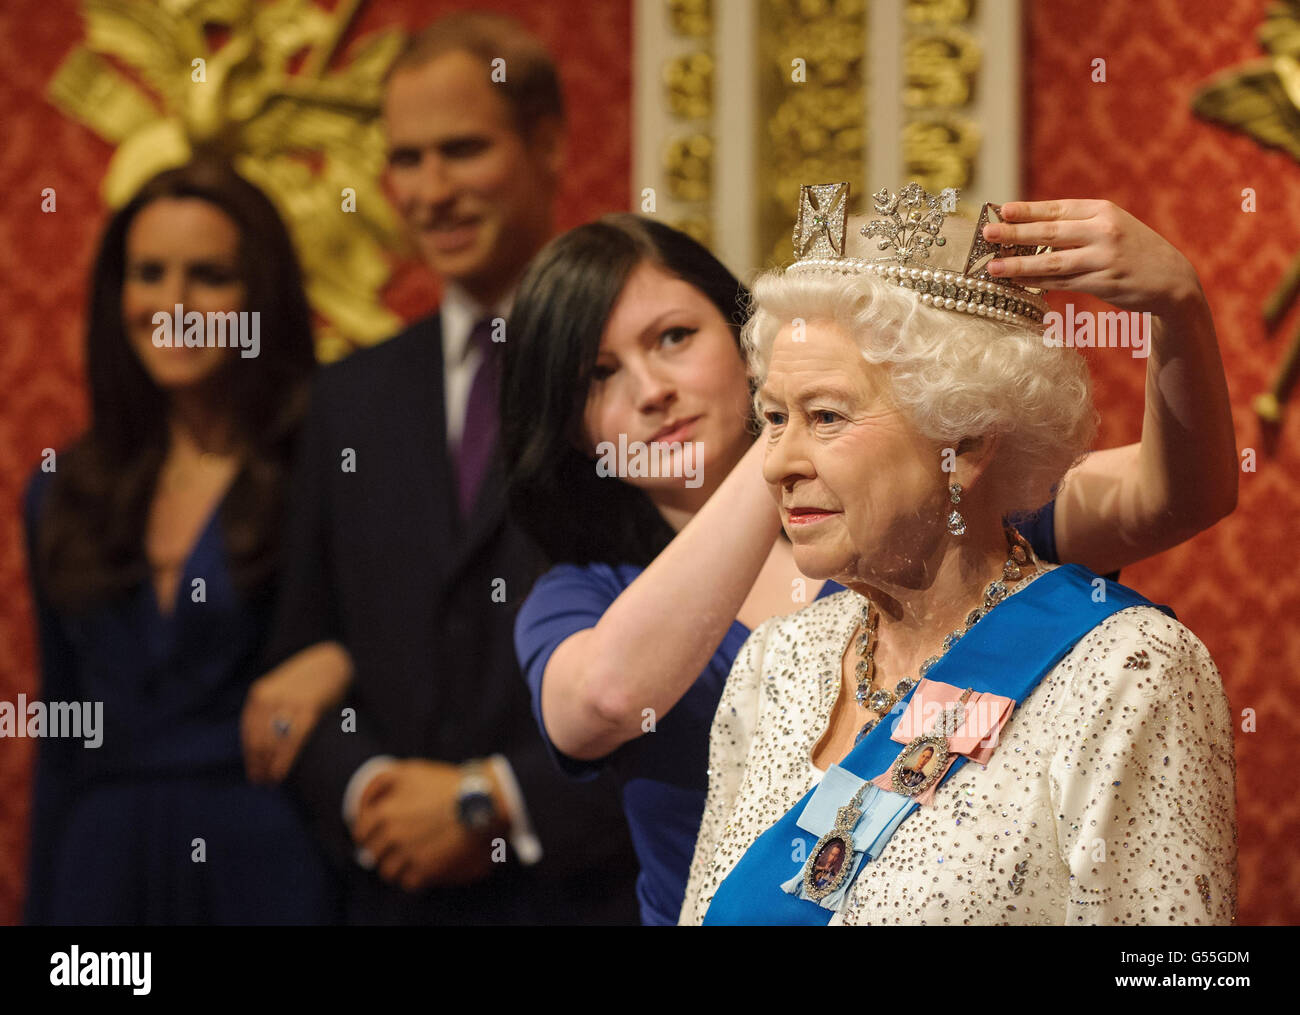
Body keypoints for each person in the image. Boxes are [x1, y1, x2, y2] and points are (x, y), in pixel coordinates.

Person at [503, 192, 1237, 925]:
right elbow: (604, 697)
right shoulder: (760, 654)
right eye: (599, 373)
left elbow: (1171, 494)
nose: (652, 390)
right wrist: (812, 417)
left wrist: (1177, 307)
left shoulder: (1108, 649)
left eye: (672, 338)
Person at [248, 12, 639, 924]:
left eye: (461, 150)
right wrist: (367, 786)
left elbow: (715, 675)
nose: (429, 191)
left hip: (590, 893)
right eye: (406, 160)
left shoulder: (648, 377)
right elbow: (297, 660)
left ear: (546, 144)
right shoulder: (347, 396)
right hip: (389, 898)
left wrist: (495, 801)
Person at [23, 158, 339, 924]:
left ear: (259, 295)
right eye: (149, 273)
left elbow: (419, 652)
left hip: (270, 852)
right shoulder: (63, 486)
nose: (175, 304)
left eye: (209, 276)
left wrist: (345, 660)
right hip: (100, 866)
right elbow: (61, 730)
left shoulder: (325, 465)